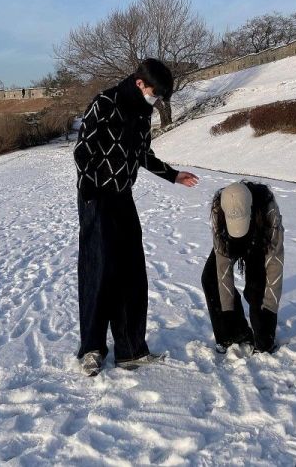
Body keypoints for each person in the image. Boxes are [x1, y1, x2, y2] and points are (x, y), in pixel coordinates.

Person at [74, 59, 198, 376]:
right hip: (96, 197)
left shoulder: (143, 113)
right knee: (98, 270)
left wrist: (172, 175)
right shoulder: (105, 102)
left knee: (131, 271)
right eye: (155, 93)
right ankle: (91, 349)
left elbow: (142, 153)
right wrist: (90, 188)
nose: (156, 100)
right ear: (140, 83)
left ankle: (130, 349)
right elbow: (82, 150)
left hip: (123, 197)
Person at [201, 180, 284, 354]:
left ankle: (264, 339)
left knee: (256, 289)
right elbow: (223, 265)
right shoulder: (218, 211)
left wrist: (270, 307)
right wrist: (227, 310)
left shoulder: (268, 208)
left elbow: (274, 263)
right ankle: (234, 333)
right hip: (229, 241)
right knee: (211, 278)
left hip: (259, 241)